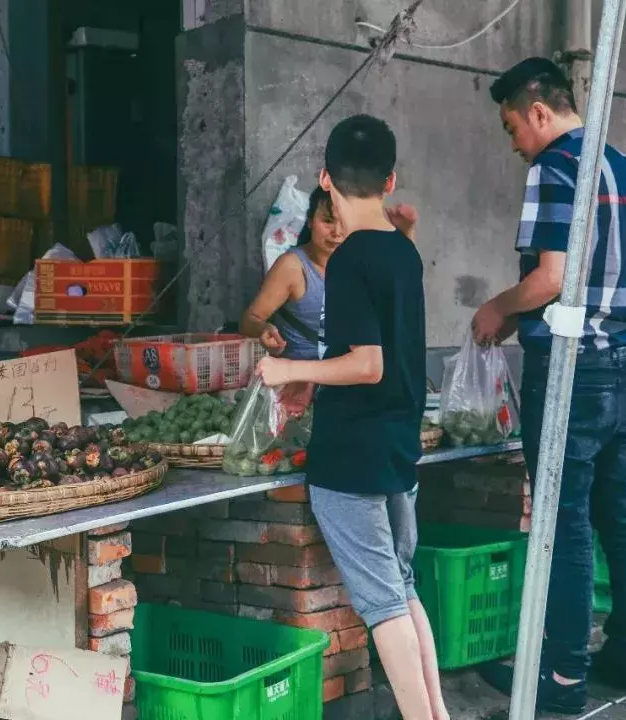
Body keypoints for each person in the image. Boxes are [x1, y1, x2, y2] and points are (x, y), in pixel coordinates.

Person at [473, 58, 626, 714]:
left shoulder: (552, 169)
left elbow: (550, 277)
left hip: (571, 369)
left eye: (511, 126)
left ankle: (563, 679)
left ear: (539, 112)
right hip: (620, 364)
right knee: (618, 507)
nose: (514, 140)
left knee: (567, 518)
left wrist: (499, 306)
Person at [255, 115, 447, 720]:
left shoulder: (349, 261)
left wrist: (290, 373)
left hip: (353, 458)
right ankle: (437, 713)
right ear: (390, 180)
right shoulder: (402, 253)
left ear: (325, 179)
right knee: (403, 586)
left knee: (384, 603)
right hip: (396, 448)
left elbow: (365, 363)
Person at [241, 187, 341, 360]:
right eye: (328, 221)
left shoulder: (362, 265)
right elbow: (249, 320)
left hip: (348, 376)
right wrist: (264, 329)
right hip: (302, 379)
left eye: (345, 223)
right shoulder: (293, 267)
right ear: (310, 221)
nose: (337, 232)